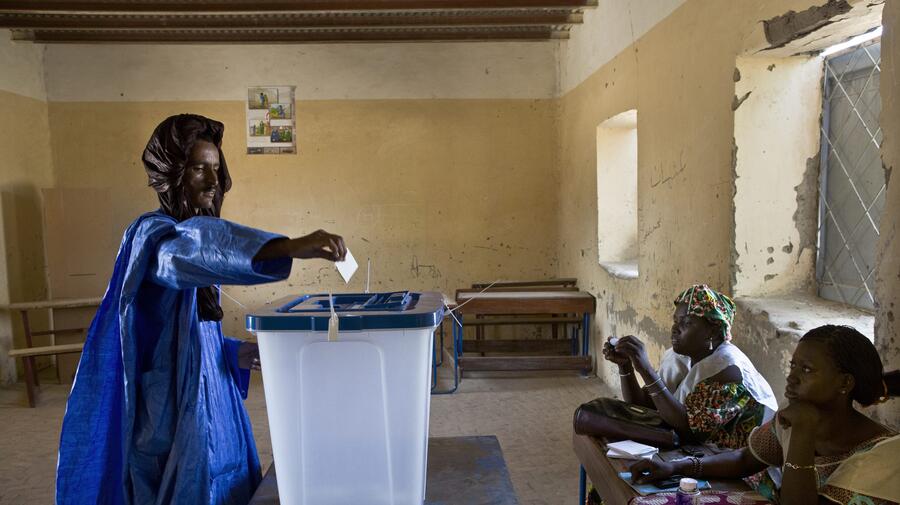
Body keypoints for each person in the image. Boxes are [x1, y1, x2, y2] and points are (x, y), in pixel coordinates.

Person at [56, 114, 347, 504]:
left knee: (227, 477)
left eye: (215, 168)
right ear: (171, 174)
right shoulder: (153, 237)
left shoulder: (194, 241)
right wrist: (288, 247)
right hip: (173, 407)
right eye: (198, 169)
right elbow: (190, 252)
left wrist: (232, 351)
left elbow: (186, 330)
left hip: (216, 399)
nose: (213, 181)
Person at [629, 325, 900, 505]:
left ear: (845, 383)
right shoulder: (796, 418)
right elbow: (745, 459)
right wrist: (676, 467)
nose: (791, 378)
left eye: (806, 370)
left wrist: (802, 434)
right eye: (793, 366)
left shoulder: (885, 455)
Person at [602, 284, 778, 449]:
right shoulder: (680, 357)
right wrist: (626, 366)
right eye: (675, 321)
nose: (675, 329)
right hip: (701, 450)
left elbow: (688, 429)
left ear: (713, 332)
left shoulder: (728, 370)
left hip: (739, 461)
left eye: (686, 323)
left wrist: (646, 370)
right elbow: (642, 406)